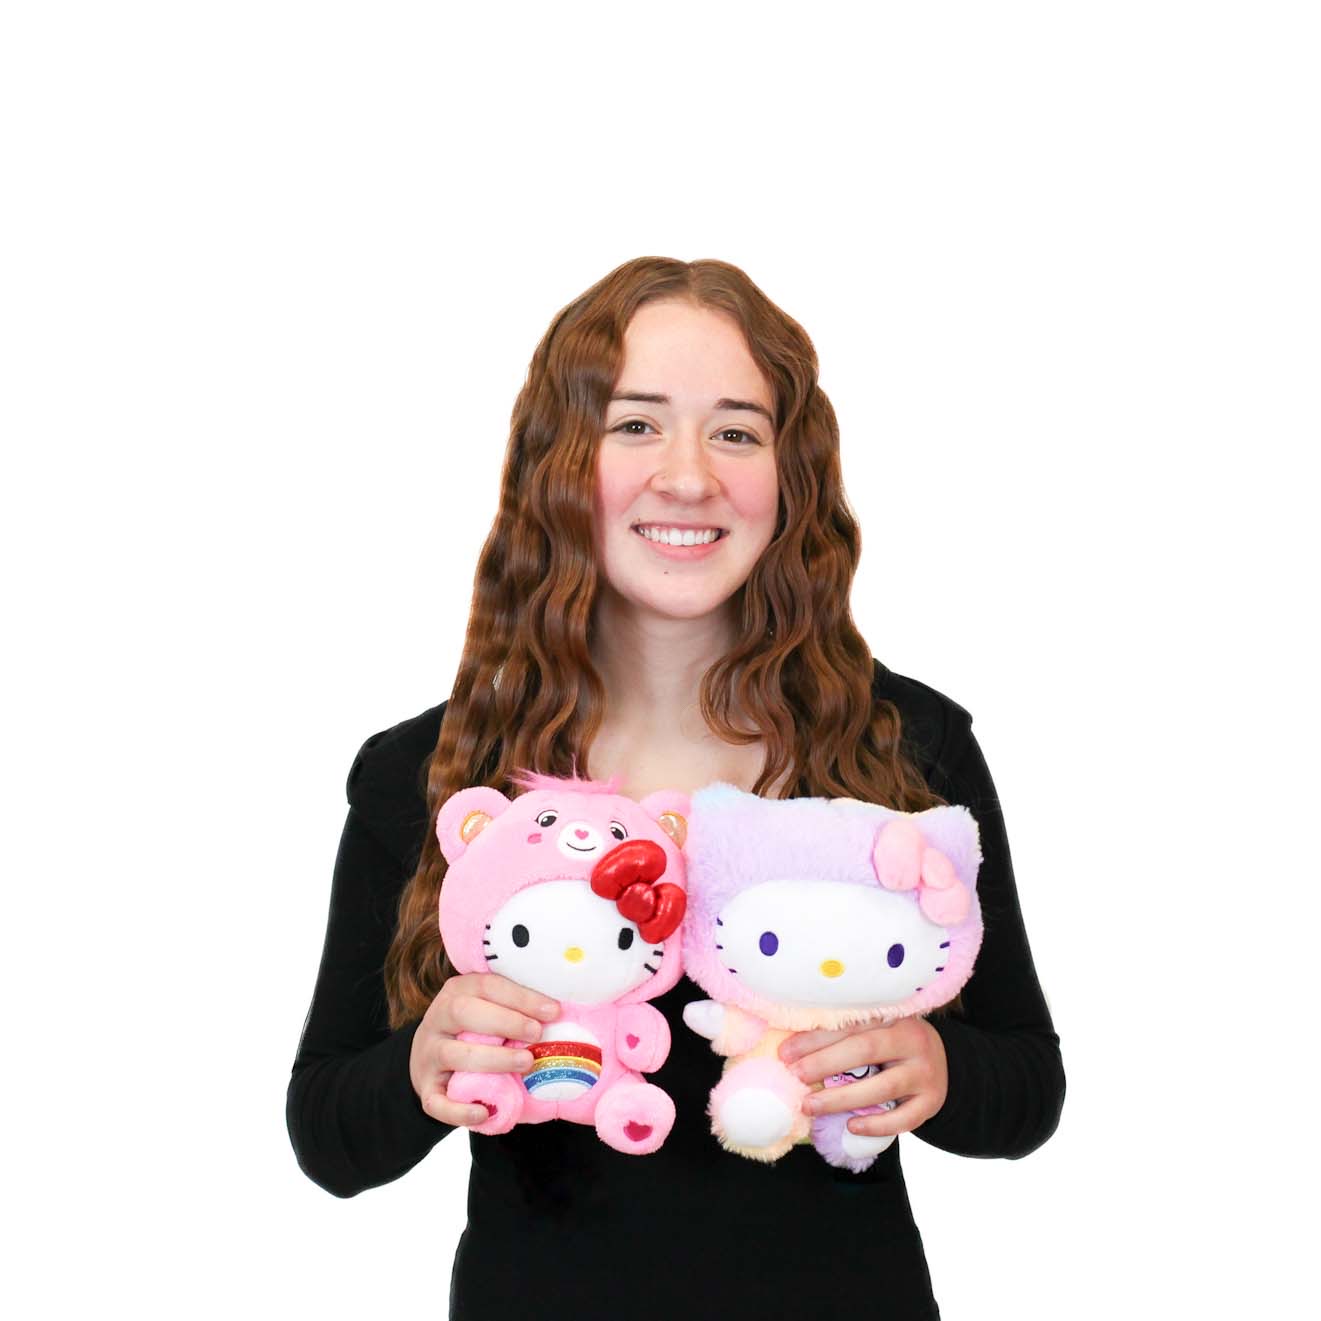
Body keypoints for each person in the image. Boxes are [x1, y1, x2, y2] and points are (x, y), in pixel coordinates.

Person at [286, 256, 1065, 1319]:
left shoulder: (905, 742)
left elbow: (1025, 1089)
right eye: (636, 424)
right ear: (559, 463)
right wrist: (423, 1060)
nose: (690, 475)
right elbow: (329, 1135)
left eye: (736, 430)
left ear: (789, 477)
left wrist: (936, 1065)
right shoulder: (433, 771)